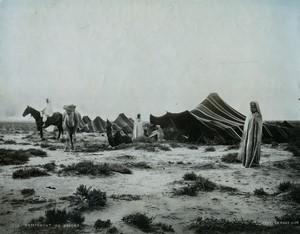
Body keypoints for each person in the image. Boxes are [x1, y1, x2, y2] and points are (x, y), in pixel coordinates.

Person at [237, 101, 263, 168]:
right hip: (248, 135)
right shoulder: (249, 115)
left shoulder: (258, 115)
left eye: (253, 107)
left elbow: (259, 127)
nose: (251, 108)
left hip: (254, 136)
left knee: (252, 147)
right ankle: (247, 162)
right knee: (247, 147)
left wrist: (256, 136)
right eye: (251, 106)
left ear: (256, 107)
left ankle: (252, 162)